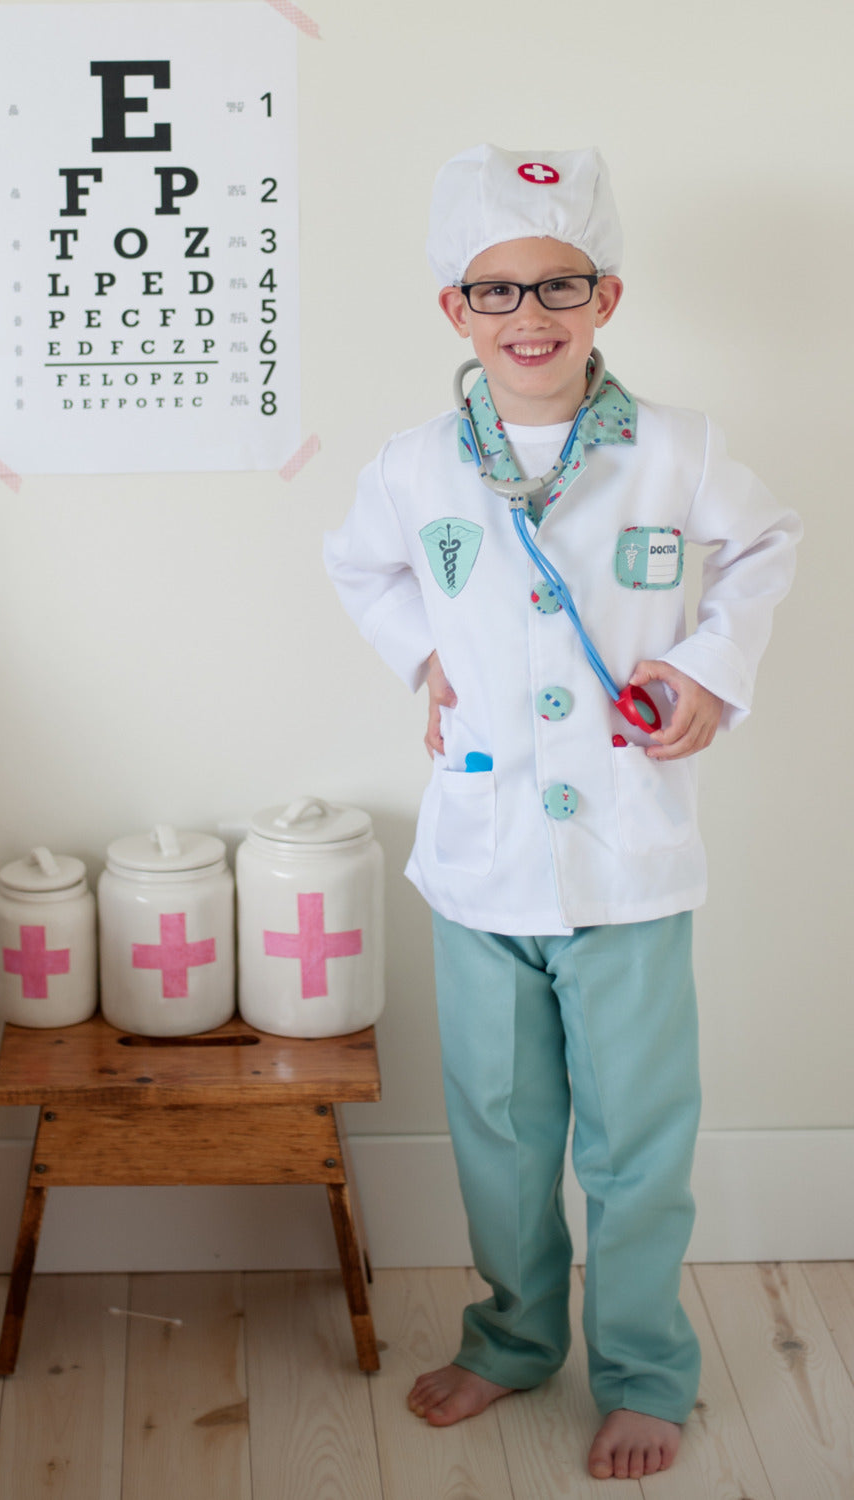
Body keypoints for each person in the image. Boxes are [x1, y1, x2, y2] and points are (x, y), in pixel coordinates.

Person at [323, 144, 800, 1481]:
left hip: (631, 866)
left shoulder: (678, 449)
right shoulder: (417, 468)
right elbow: (361, 568)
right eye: (497, 291)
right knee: (500, 1130)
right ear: (453, 312)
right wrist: (429, 661)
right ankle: (513, 1339)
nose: (529, 314)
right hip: (480, 863)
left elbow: (770, 549)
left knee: (638, 1142)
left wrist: (707, 671)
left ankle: (644, 1368)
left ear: (607, 296)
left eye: (558, 285)